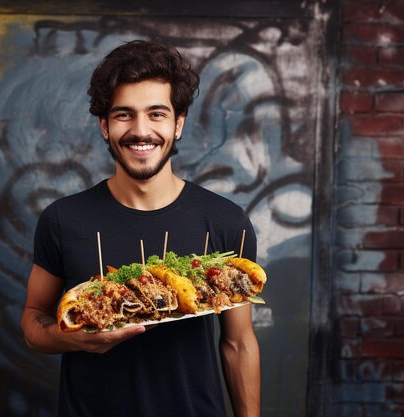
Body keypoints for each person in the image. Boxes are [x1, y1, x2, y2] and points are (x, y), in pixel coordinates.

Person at [21, 39, 261, 417]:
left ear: (178, 124)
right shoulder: (62, 220)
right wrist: (72, 339)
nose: (141, 130)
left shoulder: (227, 222)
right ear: (104, 126)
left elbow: (239, 343)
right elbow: (33, 321)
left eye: (156, 114)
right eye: (123, 115)